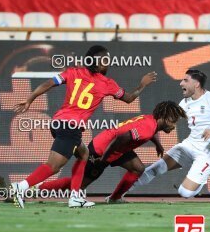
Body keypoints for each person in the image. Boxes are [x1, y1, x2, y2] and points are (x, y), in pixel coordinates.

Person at [11, 45, 157, 208]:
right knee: (53, 166)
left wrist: (30, 99)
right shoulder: (107, 84)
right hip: (71, 127)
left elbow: (48, 83)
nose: (108, 64)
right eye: (105, 61)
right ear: (98, 62)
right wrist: (142, 85)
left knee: (84, 154)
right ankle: (20, 187)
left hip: (58, 123)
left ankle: (75, 196)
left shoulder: (73, 72)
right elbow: (129, 98)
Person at [36, 101, 187, 203]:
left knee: (138, 168)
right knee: (79, 185)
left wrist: (158, 144)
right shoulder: (148, 128)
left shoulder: (151, 121)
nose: (174, 125)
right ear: (164, 118)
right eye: (173, 121)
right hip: (102, 149)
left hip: (117, 148)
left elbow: (141, 134)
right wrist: (104, 159)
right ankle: (36, 188)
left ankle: (115, 198)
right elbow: (121, 139)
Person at [128, 69, 210, 198]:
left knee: (185, 193)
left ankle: (205, 179)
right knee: (154, 169)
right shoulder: (184, 103)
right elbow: (165, 122)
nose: (181, 83)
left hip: (208, 152)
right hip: (189, 146)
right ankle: (119, 193)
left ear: (196, 84)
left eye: (185, 80)